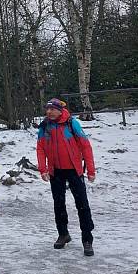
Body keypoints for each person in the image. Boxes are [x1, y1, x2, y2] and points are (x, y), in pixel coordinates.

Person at [37, 98, 96, 256]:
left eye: (52, 109)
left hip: (74, 170)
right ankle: (63, 234)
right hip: (55, 170)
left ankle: (87, 239)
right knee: (59, 203)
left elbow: (86, 146)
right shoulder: (45, 126)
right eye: (47, 109)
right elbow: (40, 148)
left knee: (82, 204)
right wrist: (43, 168)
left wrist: (91, 170)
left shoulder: (72, 123)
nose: (48, 112)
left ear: (60, 110)